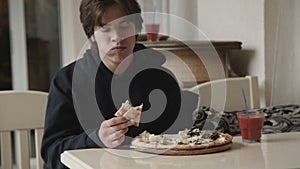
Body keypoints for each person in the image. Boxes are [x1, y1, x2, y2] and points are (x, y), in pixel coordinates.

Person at [41, 0, 197, 168]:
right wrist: (96, 138)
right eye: (105, 29)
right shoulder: (67, 81)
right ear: (92, 34)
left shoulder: (162, 79)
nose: (117, 37)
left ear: (136, 29)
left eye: (124, 26)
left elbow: (181, 140)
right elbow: (52, 152)